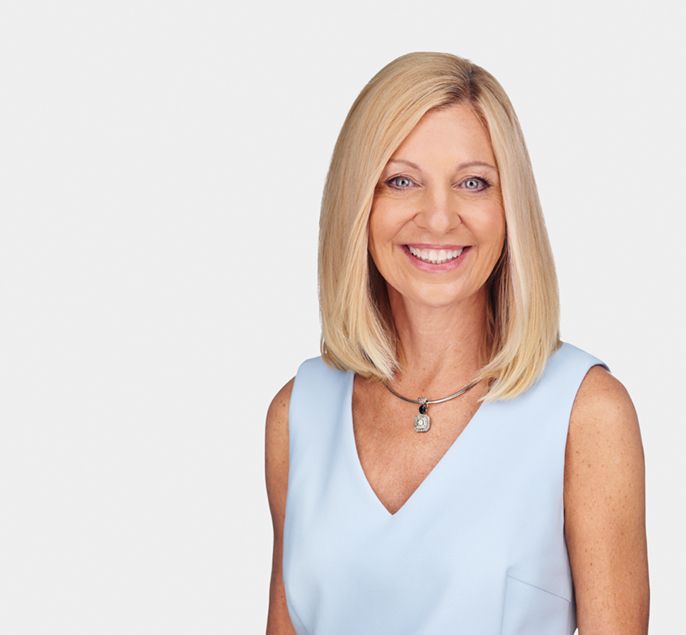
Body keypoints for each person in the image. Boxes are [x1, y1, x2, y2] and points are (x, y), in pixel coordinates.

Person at [265, 51, 649, 634]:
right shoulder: (299, 413)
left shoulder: (586, 414)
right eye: (401, 181)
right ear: (358, 203)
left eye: (473, 183)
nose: (439, 219)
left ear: (510, 207)